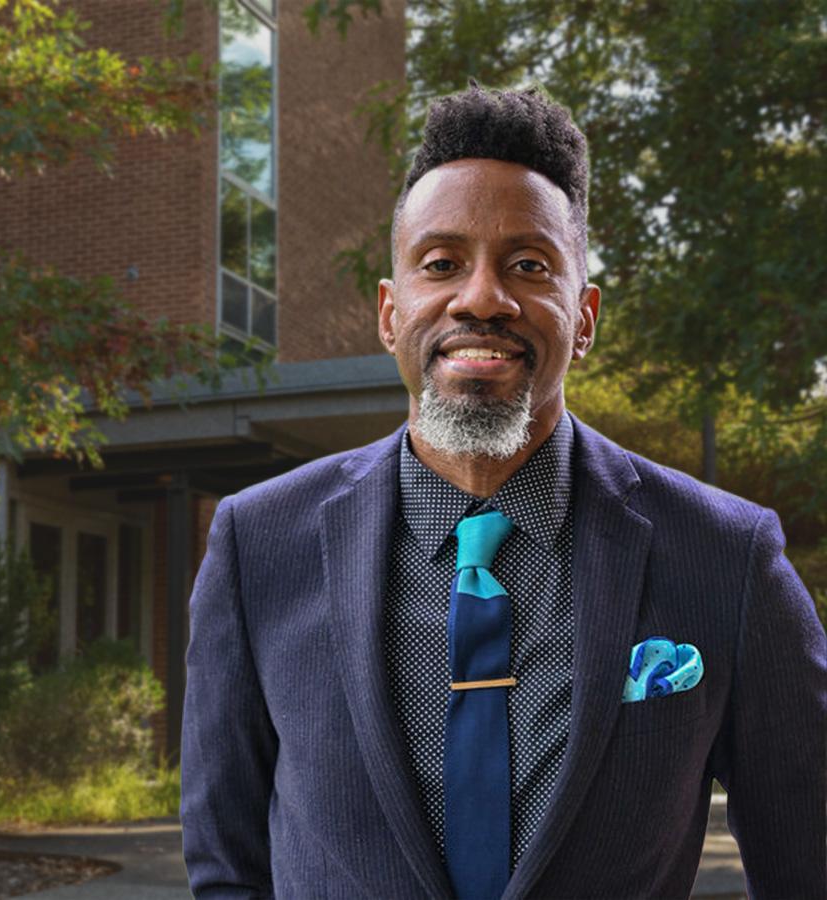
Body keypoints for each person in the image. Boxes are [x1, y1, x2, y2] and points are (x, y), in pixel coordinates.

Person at [179, 85, 827, 899]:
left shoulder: (725, 558)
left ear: (583, 318)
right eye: (441, 264)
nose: (482, 298)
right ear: (391, 313)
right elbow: (226, 870)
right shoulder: (256, 546)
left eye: (528, 265)